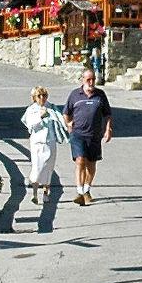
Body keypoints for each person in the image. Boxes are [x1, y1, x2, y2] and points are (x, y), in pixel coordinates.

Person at [62, 68, 114, 206]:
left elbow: (107, 114)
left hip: (94, 135)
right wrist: (68, 124)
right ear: (82, 80)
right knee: (80, 161)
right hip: (78, 134)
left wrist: (108, 129)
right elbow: (66, 112)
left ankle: (86, 189)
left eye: (93, 79)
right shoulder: (75, 95)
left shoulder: (100, 95)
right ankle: (79, 192)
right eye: (88, 79)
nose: (91, 82)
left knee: (91, 164)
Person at [21, 86, 62, 205]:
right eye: (39, 96)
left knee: (48, 167)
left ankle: (45, 192)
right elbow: (30, 125)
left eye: (44, 95)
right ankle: (34, 194)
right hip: (37, 143)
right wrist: (41, 117)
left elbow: (59, 121)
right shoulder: (31, 110)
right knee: (37, 167)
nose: (42, 98)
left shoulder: (52, 108)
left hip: (50, 142)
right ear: (34, 97)